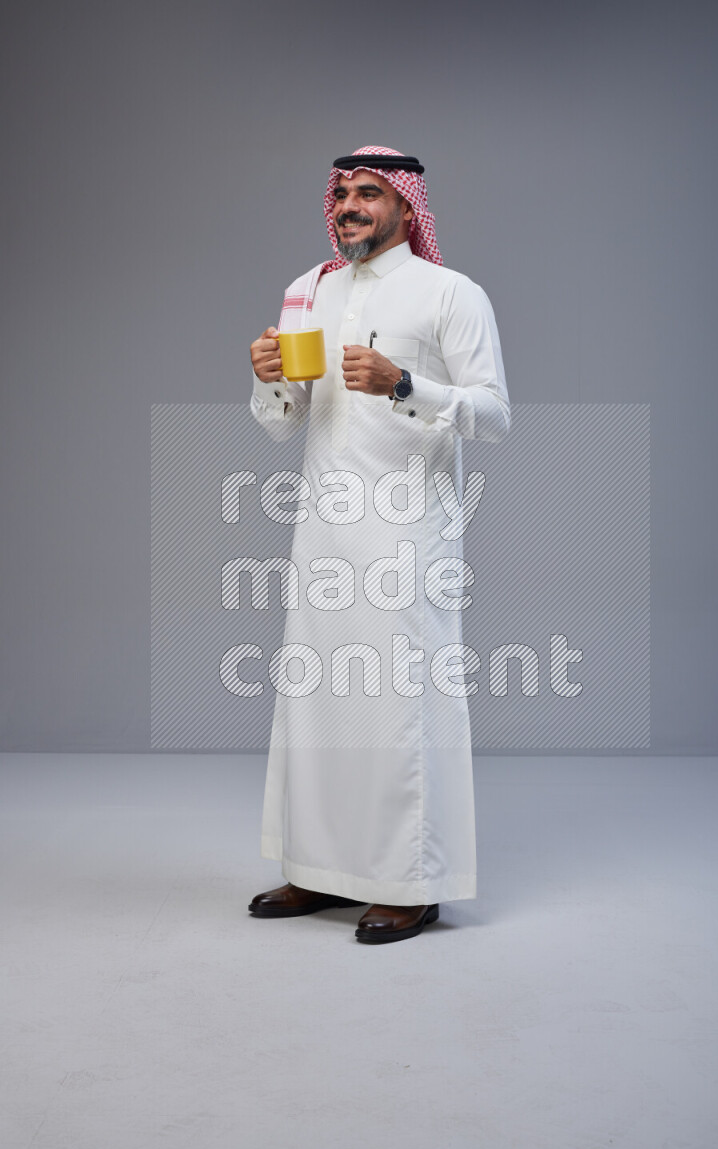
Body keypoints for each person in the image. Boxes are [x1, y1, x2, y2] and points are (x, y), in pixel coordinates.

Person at [248, 146, 510, 944]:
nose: (350, 206)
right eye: (342, 193)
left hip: (408, 533)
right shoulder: (312, 289)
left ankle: (410, 883)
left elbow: (495, 414)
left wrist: (404, 384)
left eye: (369, 192)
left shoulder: (450, 293)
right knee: (318, 701)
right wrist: (267, 375)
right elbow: (284, 422)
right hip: (322, 530)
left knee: (399, 704)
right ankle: (318, 868)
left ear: (405, 204)